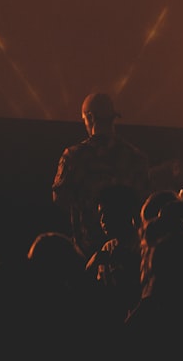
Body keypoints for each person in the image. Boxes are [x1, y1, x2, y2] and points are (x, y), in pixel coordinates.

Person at [52, 92, 151, 257]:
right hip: (129, 249)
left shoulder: (73, 156)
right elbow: (145, 201)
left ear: (90, 117)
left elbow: (59, 198)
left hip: (86, 249)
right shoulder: (136, 157)